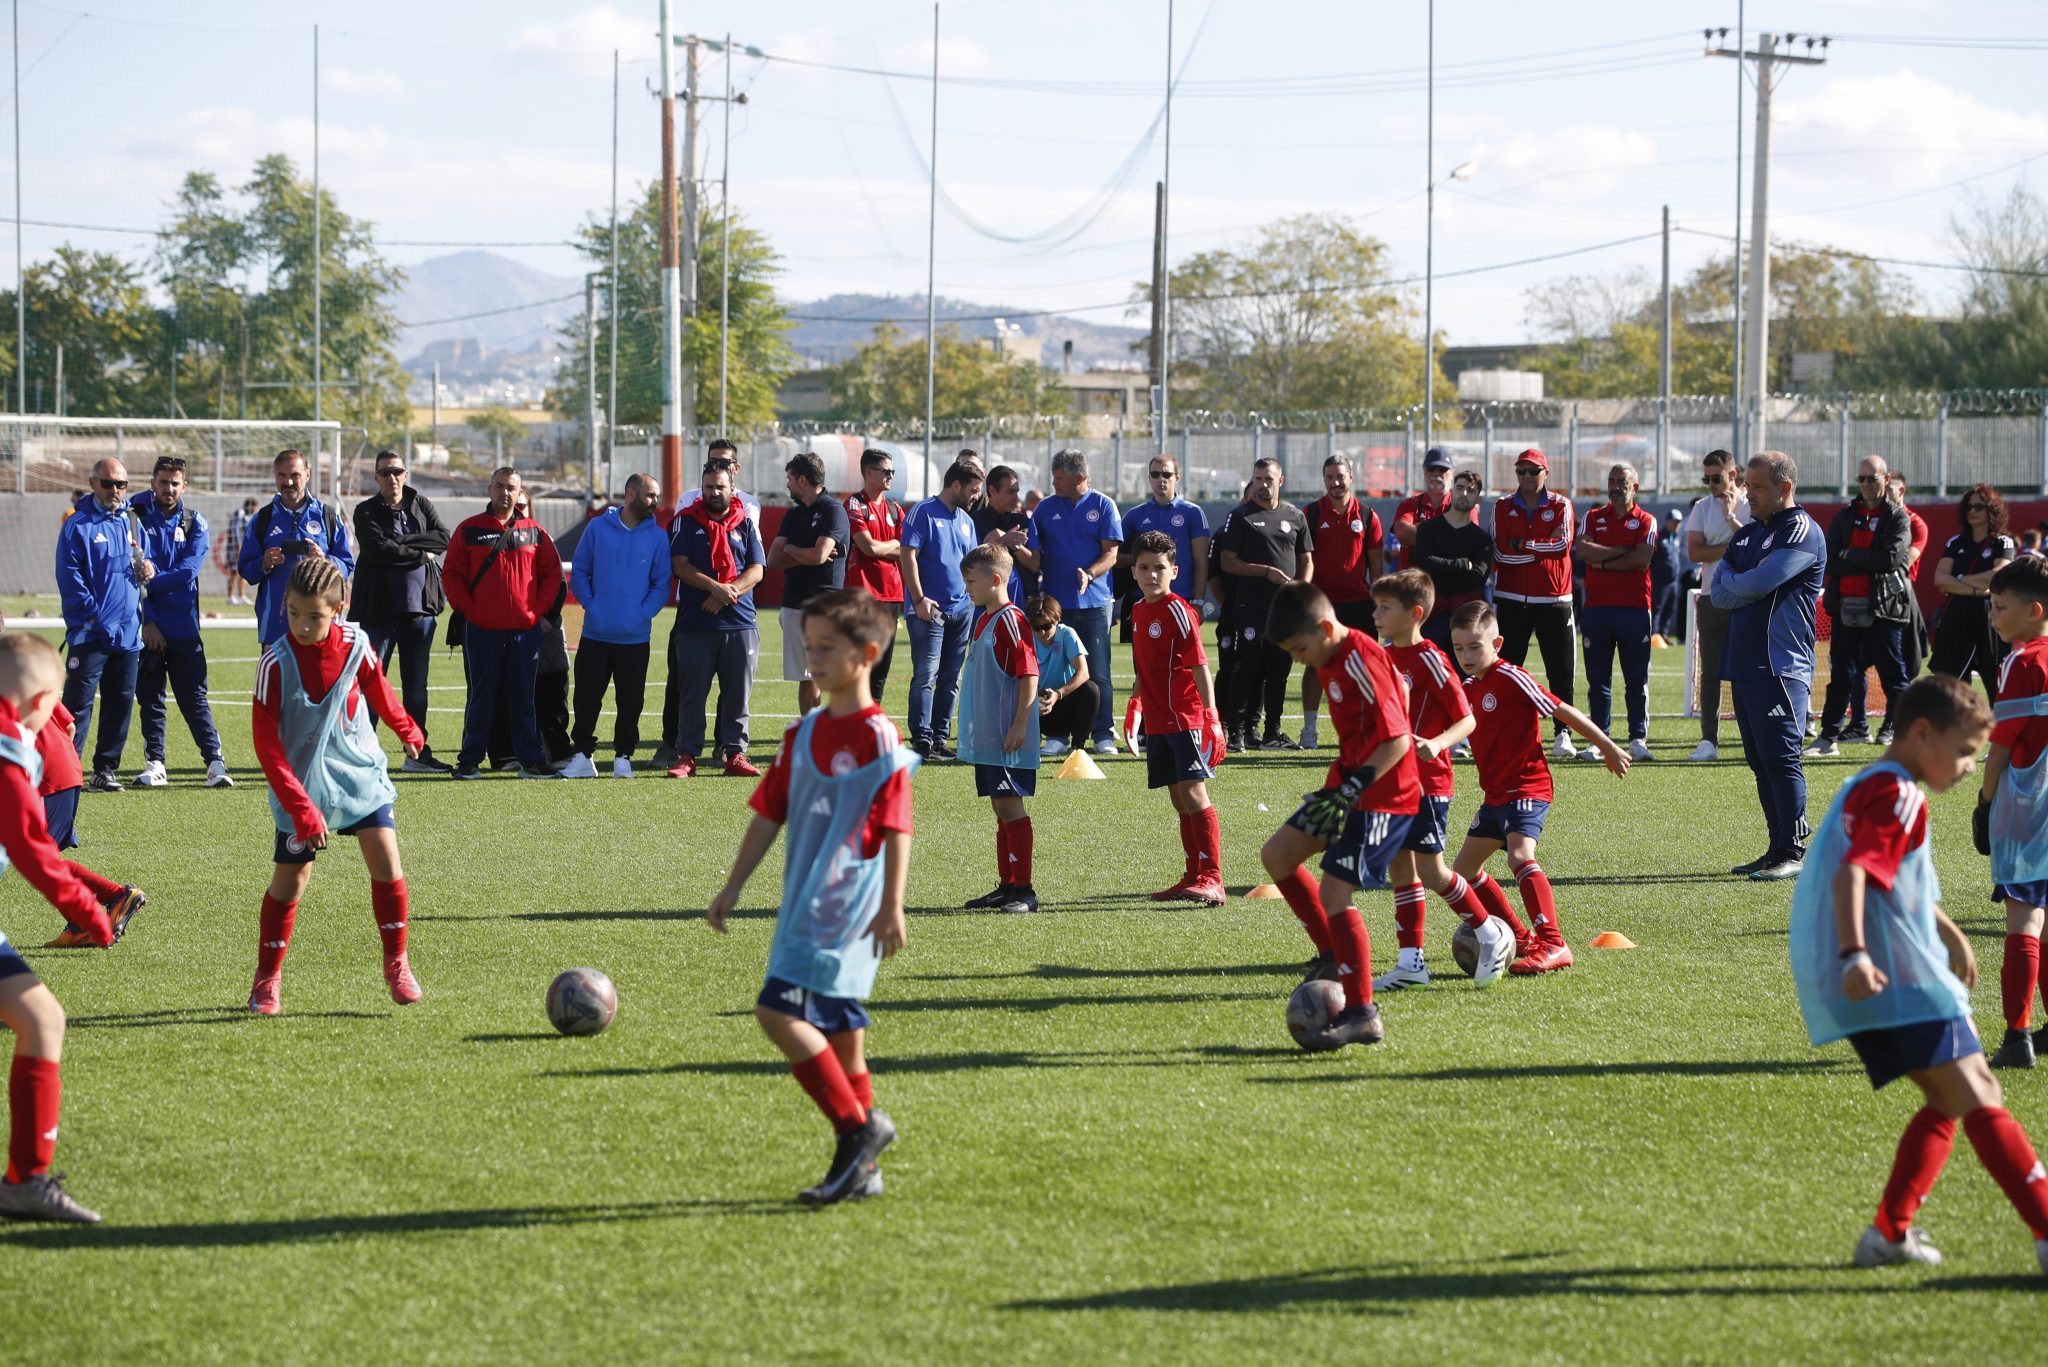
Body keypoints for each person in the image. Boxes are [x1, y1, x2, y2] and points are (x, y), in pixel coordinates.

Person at [1788, 673, 2048, 1274]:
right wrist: (1856, 954)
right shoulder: (1899, 795)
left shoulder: (1870, 782)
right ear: (1923, 734)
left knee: (1949, 1099)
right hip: (1894, 977)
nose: (1968, 767)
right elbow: (1856, 873)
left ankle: (1888, 1233)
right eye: (1964, 752)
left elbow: (1890, 878)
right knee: (1979, 1093)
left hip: (1882, 975)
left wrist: (1948, 933)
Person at [707, 589, 915, 1206]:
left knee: (777, 1013)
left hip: (844, 907)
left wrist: (893, 904)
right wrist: (733, 886)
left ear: (867, 654)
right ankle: (863, 1169)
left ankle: (858, 1130)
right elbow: (768, 813)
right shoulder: (802, 734)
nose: (813, 658)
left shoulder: (878, 736)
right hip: (803, 900)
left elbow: (898, 824)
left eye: (826, 648)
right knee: (842, 1034)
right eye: (809, 646)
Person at [247, 560, 425, 1017]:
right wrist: (301, 807)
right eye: (293, 613)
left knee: (386, 858)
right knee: (291, 880)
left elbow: (378, 687)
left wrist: (404, 726)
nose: (302, 626)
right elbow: (267, 747)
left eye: (315, 616)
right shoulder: (274, 663)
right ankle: (267, 977)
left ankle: (397, 961)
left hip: (357, 770)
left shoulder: (356, 644)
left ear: (339, 609)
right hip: (301, 783)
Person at [1254, 581, 1412, 1049]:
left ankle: (1363, 1012)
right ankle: (1331, 954)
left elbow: (1398, 738)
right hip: (1346, 787)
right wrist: (1339, 786)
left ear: (1326, 629)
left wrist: (1353, 788)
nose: (1299, 659)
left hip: (1383, 794)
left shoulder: (1361, 659)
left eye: (1300, 649)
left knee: (1335, 892)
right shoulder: (1326, 660)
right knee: (1277, 856)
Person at [0, 633, 118, 1223]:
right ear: (40, 700)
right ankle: (26, 1181)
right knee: (42, 1020)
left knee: (42, 1019)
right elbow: (33, 850)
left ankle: (26, 1182)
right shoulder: (7, 753)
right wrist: (92, 912)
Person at [1448, 599, 1630, 974]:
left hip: (1527, 787)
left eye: (1475, 647)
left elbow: (1563, 710)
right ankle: (1521, 937)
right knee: (1463, 870)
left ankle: (1554, 943)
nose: (1466, 656)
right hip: (1495, 795)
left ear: (1497, 644)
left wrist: (1607, 746)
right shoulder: (1467, 687)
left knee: (1519, 857)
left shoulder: (1512, 676)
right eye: (1459, 648)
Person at [1370, 570, 1515, 989]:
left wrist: (1436, 744)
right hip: (1393, 783)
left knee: (1433, 872)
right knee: (1401, 869)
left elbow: (1466, 719)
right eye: (1376, 606)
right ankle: (1411, 964)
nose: (1376, 615)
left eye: (1385, 608)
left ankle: (1490, 933)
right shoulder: (1382, 656)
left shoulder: (1431, 658)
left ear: (1415, 614)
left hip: (1427, 783)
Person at [1712, 452, 1826, 882]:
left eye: (1758, 487)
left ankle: (1793, 851)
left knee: (1782, 760)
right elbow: (1718, 592)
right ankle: (1776, 848)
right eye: (1747, 485)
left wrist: (1744, 583)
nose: (1748, 494)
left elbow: (1759, 582)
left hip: (1781, 665)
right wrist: (1745, 584)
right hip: (1744, 663)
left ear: (1785, 488)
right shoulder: (1746, 536)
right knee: (1760, 762)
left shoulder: (1800, 530)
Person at [441, 467, 565, 781]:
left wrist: (535, 612)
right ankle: (470, 761)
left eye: (511, 488)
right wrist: (470, 609)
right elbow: (451, 573)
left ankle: (531, 761)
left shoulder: (535, 531)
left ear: (519, 492)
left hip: (524, 631)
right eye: (499, 486)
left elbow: (553, 575)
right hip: (482, 630)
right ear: (489, 489)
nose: (505, 493)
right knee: (481, 697)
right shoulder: (469, 529)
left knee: (523, 698)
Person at [1127, 531, 1228, 907]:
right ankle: (1193, 875)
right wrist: (1135, 706)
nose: (1151, 574)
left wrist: (1211, 717)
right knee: (1178, 797)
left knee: (1193, 792)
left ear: (1174, 571)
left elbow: (1200, 665)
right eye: (1143, 567)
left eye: (1159, 567)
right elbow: (1144, 667)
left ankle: (1213, 878)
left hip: (1187, 718)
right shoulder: (1138, 610)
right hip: (1158, 721)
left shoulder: (1178, 610)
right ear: (1134, 571)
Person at [123, 456, 231, 790]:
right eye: (163, 481)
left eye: (174, 483)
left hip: (184, 626)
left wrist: (151, 577)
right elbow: (129, 571)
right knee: (151, 698)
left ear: (184, 486)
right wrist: (148, 621)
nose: (168, 488)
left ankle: (214, 763)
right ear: (152, 482)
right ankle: (156, 764)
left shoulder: (195, 522)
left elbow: (187, 572)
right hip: (148, 626)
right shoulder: (134, 515)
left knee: (194, 697)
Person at [1980, 556, 2048, 1070]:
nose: (1993, 616)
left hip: (2029, 807)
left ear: (2034, 611)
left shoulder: (2021, 663)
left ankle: (2016, 1035)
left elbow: (2002, 746)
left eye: (2001, 607)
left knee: (2023, 918)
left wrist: (1984, 804)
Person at [350, 449, 453, 774]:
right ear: (376, 477)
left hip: (419, 611)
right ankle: (362, 756)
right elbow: (377, 550)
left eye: (396, 471)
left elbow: (443, 538)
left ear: (405, 474)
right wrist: (419, 553)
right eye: (384, 472)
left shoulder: (420, 503)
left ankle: (416, 754)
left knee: (416, 689)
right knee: (371, 685)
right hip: (377, 613)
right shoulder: (365, 510)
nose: (391, 477)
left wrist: (402, 541)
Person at [666, 457, 766, 779]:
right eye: (709, 487)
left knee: (738, 695)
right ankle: (687, 755)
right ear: (702, 489)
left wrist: (728, 592)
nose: (714, 492)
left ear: (732, 488)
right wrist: (715, 587)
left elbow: (757, 570)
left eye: (720, 487)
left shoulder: (746, 523)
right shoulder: (684, 521)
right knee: (692, 695)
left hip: (740, 623)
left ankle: (735, 754)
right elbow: (680, 566)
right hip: (696, 624)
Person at [565, 473, 670, 779]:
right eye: (650, 495)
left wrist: (642, 614)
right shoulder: (597, 528)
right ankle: (582, 756)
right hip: (595, 634)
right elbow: (580, 570)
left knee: (631, 702)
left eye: (657, 495)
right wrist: (592, 605)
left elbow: (661, 583)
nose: (655, 501)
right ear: (631, 495)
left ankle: (623, 757)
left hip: (635, 638)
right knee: (586, 699)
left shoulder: (658, 537)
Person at [955, 546, 1041, 915]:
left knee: (1010, 804)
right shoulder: (984, 619)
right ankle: (1007, 886)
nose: (967, 588)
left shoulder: (1011, 619)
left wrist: (1020, 723)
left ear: (994, 580)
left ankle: (1024, 890)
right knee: (999, 805)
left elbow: (1029, 673)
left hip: (1009, 735)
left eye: (971, 581)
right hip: (990, 735)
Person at [1810, 456, 1915, 758]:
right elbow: (1830, 560)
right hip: (1845, 608)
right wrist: (1866, 558)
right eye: (1862, 479)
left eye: (1872, 478)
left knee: (1893, 677)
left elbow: (1890, 560)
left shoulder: (1898, 518)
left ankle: (1906, 738)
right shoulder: (1844, 516)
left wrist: (1851, 554)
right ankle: (1828, 738)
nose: (1866, 484)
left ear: (1886, 479)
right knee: (1841, 676)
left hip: (1884, 609)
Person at [55, 457, 146, 793]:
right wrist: (95, 617)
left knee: (120, 703)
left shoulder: (133, 521)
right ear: (93, 483)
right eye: (107, 483)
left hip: (128, 634)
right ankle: (66, 771)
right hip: (90, 634)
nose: (115, 490)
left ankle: (104, 769)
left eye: (121, 484)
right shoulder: (77, 525)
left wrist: (148, 569)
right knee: (76, 706)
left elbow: (142, 563)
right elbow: (70, 578)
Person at [1215, 457, 1313, 751]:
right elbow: (1227, 562)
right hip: (1251, 608)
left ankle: (1272, 732)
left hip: (1284, 611)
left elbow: (1306, 561)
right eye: (1257, 479)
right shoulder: (1240, 516)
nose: (1261, 485)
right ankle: (1237, 733)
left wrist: (1300, 590)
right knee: (1247, 670)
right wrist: (1265, 572)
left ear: (1280, 481)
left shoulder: (1295, 516)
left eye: (1268, 479)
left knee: (1278, 672)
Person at [1030, 449, 1124, 755]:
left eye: (1059, 478)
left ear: (1079, 478)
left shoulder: (1104, 505)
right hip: (1057, 606)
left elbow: (1111, 553)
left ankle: (1102, 732)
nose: (1054, 483)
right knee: (1057, 671)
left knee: (1098, 671)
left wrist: (1090, 574)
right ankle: (1057, 734)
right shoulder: (1045, 508)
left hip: (1096, 603)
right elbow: (1034, 557)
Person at [1491, 448, 1580, 759]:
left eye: (1533, 470)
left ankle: (1563, 733)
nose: (1527, 476)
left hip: (1554, 599)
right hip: (1511, 600)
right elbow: (1500, 553)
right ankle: (1506, 732)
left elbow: (1562, 545)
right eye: (1521, 470)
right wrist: (1539, 549)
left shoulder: (1561, 505)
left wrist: (1523, 545)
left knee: (1561, 671)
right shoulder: (1502, 506)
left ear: (1546, 473)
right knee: (1507, 670)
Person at [900, 459, 984, 760]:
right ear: (956, 485)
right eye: (973, 490)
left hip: (961, 609)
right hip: (929, 610)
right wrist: (919, 599)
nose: (976, 496)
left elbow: (971, 563)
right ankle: (922, 738)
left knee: (951, 677)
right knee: (926, 675)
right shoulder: (923, 511)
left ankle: (939, 737)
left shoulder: (966, 520)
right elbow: (907, 555)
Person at [1577, 462, 1659, 764]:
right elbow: (1583, 551)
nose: (1615, 486)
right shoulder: (1592, 517)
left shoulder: (1646, 520)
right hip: (1597, 609)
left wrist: (1603, 559)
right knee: (1598, 680)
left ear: (1635, 486)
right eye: (1611, 480)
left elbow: (1641, 558)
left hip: (1634, 609)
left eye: (1621, 481)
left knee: (1636, 680)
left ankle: (1638, 739)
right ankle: (1600, 740)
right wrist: (1622, 550)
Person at [1300, 455, 1384, 750]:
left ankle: (1365, 728)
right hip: (1321, 604)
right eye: (1330, 477)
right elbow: (1304, 561)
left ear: (1351, 477)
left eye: (1340, 476)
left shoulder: (1368, 515)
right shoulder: (1310, 514)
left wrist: (1380, 603)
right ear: (1324, 479)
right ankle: (1309, 729)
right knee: (1315, 665)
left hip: (1360, 604)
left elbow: (1376, 566)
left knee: (1364, 667)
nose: (1335, 482)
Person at [238, 448, 355, 647]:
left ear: (307, 475)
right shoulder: (262, 520)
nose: (289, 482)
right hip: (276, 630)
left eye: (295, 475)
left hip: (321, 628)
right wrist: (264, 563)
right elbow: (246, 570)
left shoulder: (327, 516)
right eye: (282, 475)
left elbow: (347, 565)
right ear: (275, 477)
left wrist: (324, 561)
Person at [769, 453, 852, 718]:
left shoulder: (833, 510)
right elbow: (773, 559)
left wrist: (791, 549)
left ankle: (835, 727)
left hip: (823, 606)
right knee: (806, 677)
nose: (787, 484)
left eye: (790, 478)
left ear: (802, 480)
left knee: (826, 673)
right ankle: (810, 730)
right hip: (793, 604)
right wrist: (804, 553)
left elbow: (818, 556)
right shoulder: (793, 514)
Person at [1683, 449, 1750, 761]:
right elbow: (1695, 553)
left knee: (1748, 671)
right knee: (1710, 672)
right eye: (1706, 479)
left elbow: (1755, 548)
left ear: (1732, 475)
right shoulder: (1701, 507)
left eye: (1716, 478)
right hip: (1712, 596)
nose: (1710, 485)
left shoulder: (1752, 503)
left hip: (1747, 598)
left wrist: (1731, 520)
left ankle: (1752, 736)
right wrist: (1735, 544)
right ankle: (1708, 740)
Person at [1930, 484, 2015, 706]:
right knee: (1952, 682)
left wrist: (1957, 579)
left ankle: (2000, 724)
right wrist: (1976, 589)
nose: (1972, 511)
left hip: (1989, 616)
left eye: (1979, 507)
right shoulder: (1955, 542)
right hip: (1956, 614)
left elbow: (1998, 576)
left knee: (1995, 678)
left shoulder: (2002, 542)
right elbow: (1940, 579)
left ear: (1991, 509)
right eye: (1968, 507)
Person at [844, 449, 906, 701]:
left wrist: (884, 547)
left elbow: (906, 550)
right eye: (886, 471)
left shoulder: (895, 508)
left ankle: (872, 716)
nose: (891, 476)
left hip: (892, 596)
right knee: (861, 664)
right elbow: (866, 547)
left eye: (892, 471)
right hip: (863, 595)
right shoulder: (854, 504)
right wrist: (893, 545)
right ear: (868, 473)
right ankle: (852, 716)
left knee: (881, 669)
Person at [1411, 468, 1493, 652]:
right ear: (1451, 491)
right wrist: (1461, 564)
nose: (1464, 494)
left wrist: (1440, 570)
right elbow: (1423, 563)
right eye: (1460, 488)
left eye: (1471, 490)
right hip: (1431, 613)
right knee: (1429, 664)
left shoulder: (1482, 540)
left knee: (1466, 668)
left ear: (1477, 499)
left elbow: (1477, 577)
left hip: (1467, 618)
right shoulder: (1427, 529)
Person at [1026, 594, 1097, 757]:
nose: (1041, 632)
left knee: (1091, 689)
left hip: (1063, 702)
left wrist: (1057, 694)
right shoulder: (1026, 637)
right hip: (1035, 702)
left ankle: (1077, 748)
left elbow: (1083, 672)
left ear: (1057, 620)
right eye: (1036, 627)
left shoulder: (1066, 634)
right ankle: (1029, 740)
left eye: (1046, 626)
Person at [971, 464, 1041, 612]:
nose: (1016, 498)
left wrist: (1014, 544)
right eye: (1010, 492)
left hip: (1024, 606)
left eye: (1017, 492)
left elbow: (1034, 564)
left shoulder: (1024, 522)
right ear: (992, 491)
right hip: (986, 608)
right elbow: (970, 564)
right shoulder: (974, 521)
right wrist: (999, 543)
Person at [1390, 448, 1454, 572]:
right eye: (1431, 469)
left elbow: (1465, 540)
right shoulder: (1408, 505)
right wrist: (1447, 534)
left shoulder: (1462, 506)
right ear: (1424, 472)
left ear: (1452, 473)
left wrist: (1418, 531)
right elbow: (1402, 534)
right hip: (1413, 581)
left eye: (1442, 469)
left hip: (1449, 581)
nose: (1436, 474)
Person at [1652, 509, 1686, 642]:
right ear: (1667, 522)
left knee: (1670, 609)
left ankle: (1664, 635)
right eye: (1675, 522)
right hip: (1660, 581)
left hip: (1674, 581)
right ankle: (1654, 635)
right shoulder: (1659, 537)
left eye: (1679, 522)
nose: (1677, 525)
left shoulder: (1676, 538)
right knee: (1657, 608)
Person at [223, 496, 258, 605]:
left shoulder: (249, 517)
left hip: (244, 548)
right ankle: (230, 596)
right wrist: (238, 545)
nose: (256, 509)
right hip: (235, 548)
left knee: (243, 571)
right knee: (233, 572)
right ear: (251, 505)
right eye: (255, 507)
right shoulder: (240, 513)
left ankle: (242, 596)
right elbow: (235, 530)